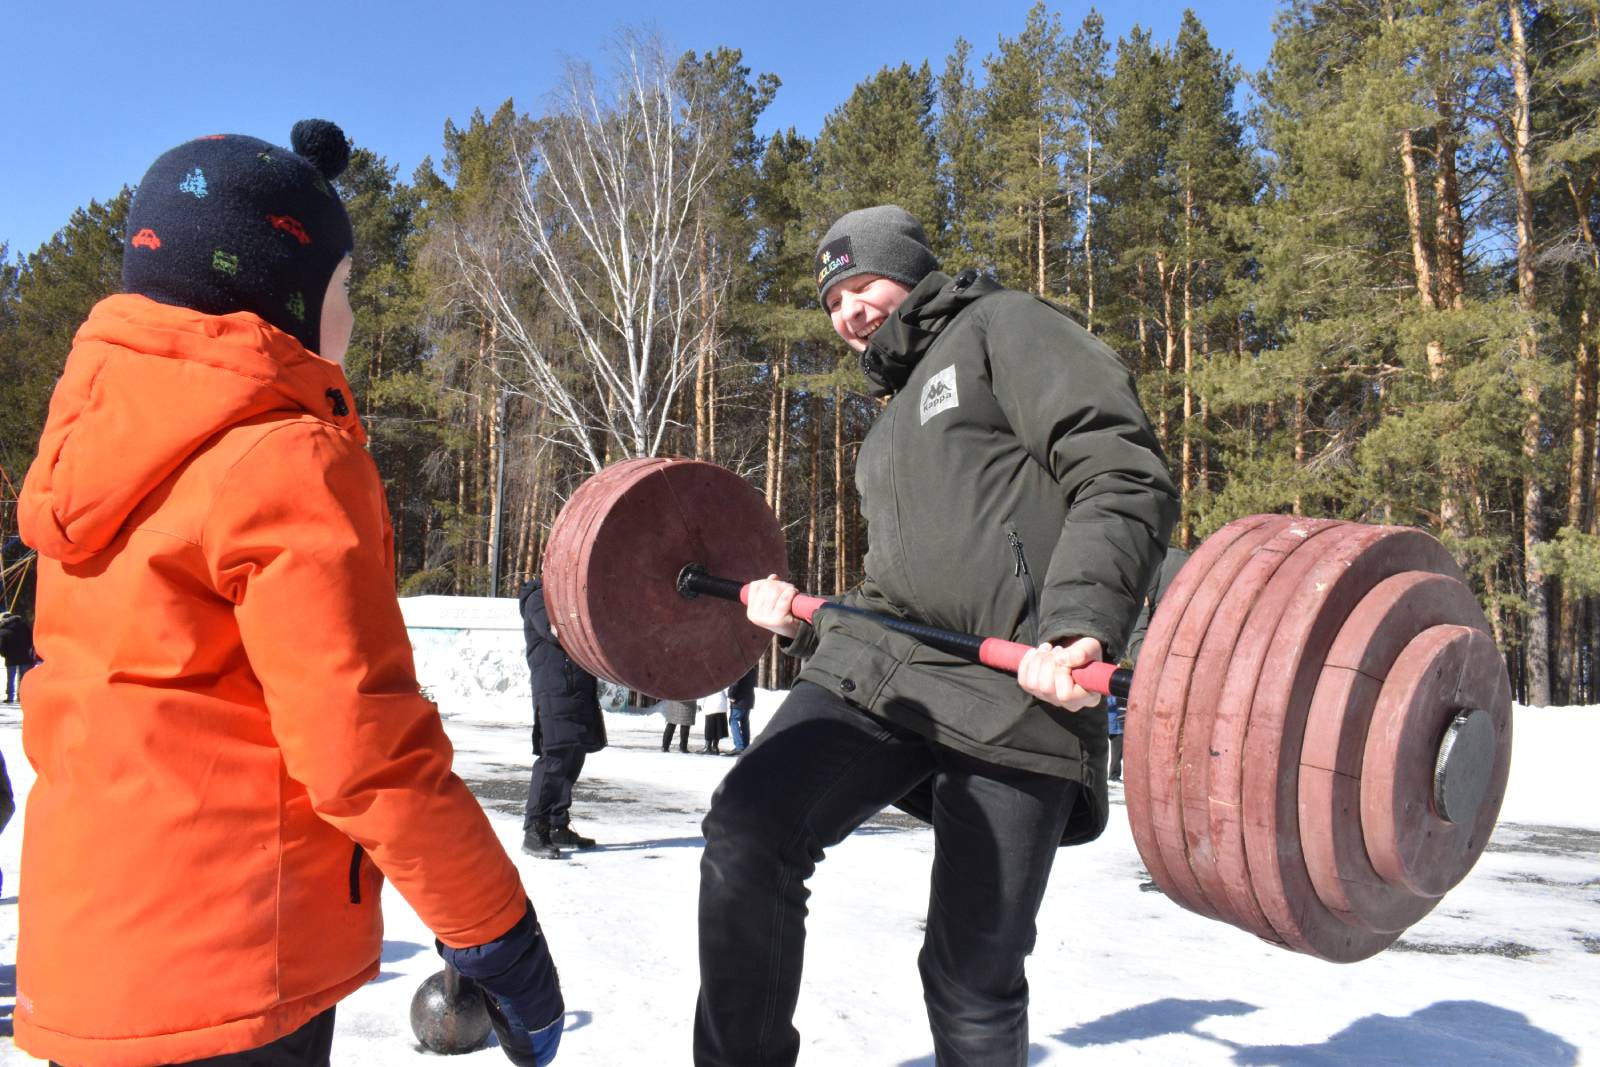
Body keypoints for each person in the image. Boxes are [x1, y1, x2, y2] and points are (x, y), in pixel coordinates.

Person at [14, 123, 563, 1067]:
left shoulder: (93, 453)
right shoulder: (282, 456)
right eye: (344, 286)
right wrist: (494, 928)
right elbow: (360, 738)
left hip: (88, 961)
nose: (351, 310)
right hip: (231, 967)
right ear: (285, 295)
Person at [694, 205, 1177, 1067]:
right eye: (832, 301)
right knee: (747, 829)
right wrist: (804, 620)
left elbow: (1118, 465)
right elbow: (899, 587)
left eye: (862, 284)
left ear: (911, 271)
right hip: (895, 675)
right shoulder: (886, 429)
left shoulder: (1002, 324)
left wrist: (1080, 626)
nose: (848, 311)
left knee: (970, 975)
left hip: (1023, 688)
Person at [519, 577, 607, 859]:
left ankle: (557, 824)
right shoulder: (538, 598)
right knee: (554, 760)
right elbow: (555, 631)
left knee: (573, 758)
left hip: (578, 690)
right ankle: (534, 828)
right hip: (554, 690)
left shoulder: (568, 599)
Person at [0, 611, 36, 703]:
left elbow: (2, 646)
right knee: (23, 678)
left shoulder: (3, 630)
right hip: (24, 656)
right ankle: (21, 696)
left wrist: (5, 654)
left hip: (10, 658)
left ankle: (10, 697)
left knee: (10, 678)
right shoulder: (24, 627)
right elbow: (31, 640)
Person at [726, 665, 758, 754]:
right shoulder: (752, 669)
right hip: (749, 700)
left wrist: (731, 695)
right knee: (745, 723)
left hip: (739, 700)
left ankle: (739, 746)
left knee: (733, 721)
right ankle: (746, 745)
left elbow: (735, 683)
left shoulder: (740, 669)